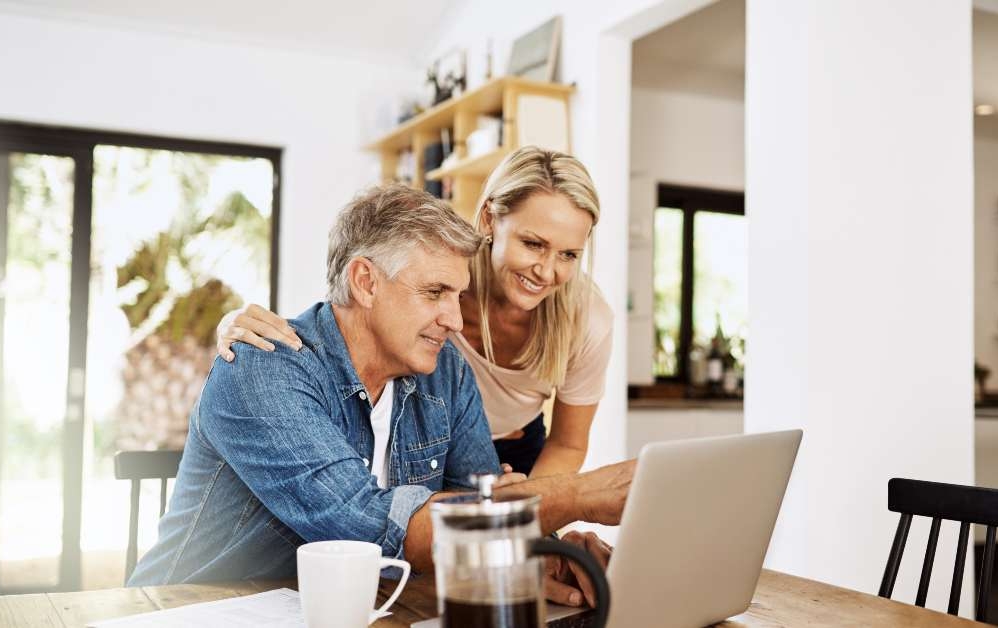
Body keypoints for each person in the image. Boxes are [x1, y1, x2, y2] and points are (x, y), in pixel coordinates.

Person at [129, 185, 631, 609]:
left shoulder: (446, 373)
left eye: (458, 295)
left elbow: (482, 501)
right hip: (190, 611)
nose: (455, 320)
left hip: (350, 612)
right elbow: (368, 527)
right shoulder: (263, 369)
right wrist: (577, 496)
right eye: (435, 293)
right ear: (365, 282)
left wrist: (546, 550)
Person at [218, 146, 612, 477]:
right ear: (490, 218)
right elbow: (350, 310)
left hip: (517, 452)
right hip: (420, 431)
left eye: (569, 255)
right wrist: (238, 329)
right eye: (532, 244)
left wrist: (534, 509)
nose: (546, 270)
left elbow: (568, 442)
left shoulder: (586, 319)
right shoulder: (442, 265)